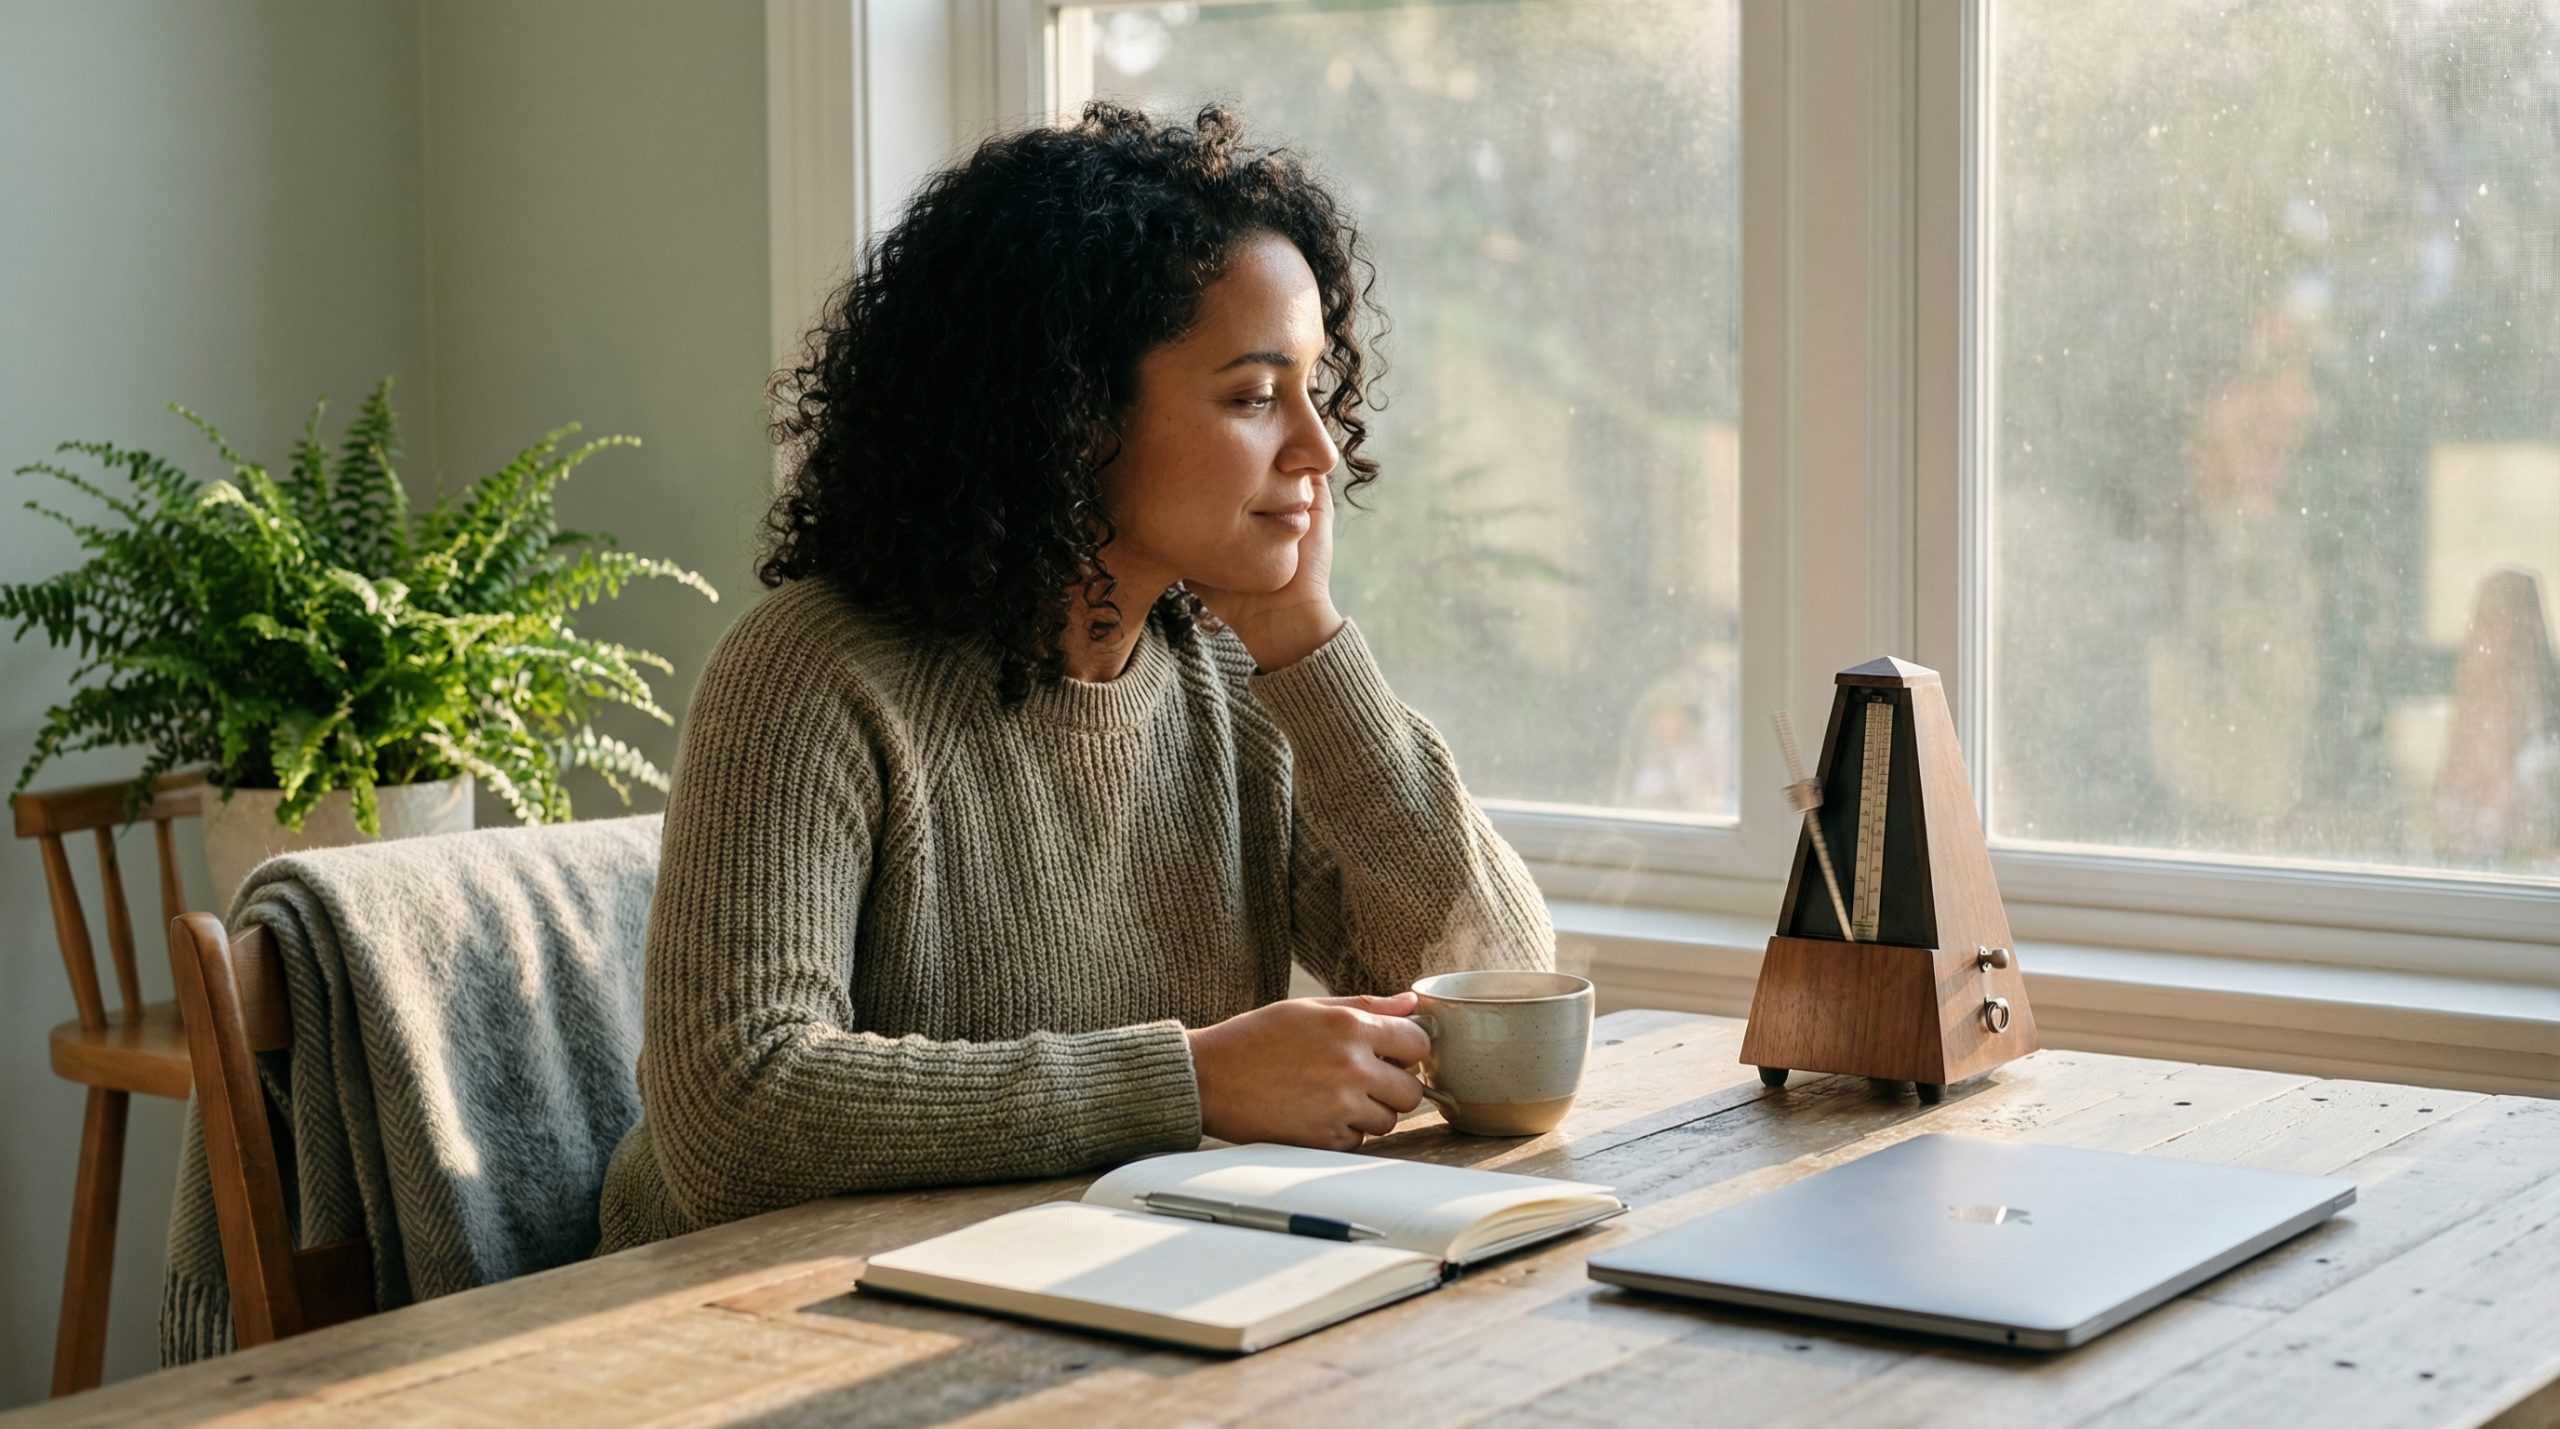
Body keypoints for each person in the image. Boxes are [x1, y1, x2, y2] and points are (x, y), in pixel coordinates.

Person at [595, 102, 1555, 1252]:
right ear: (1072, 416)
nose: (1322, 448)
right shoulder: (817, 669)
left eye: (1314, 386)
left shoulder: (1230, 675)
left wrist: (1305, 639)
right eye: (1253, 396)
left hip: (1087, 1285)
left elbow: (1494, 983)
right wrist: (1185, 1081)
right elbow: (735, 1119)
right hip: (731, 1318)